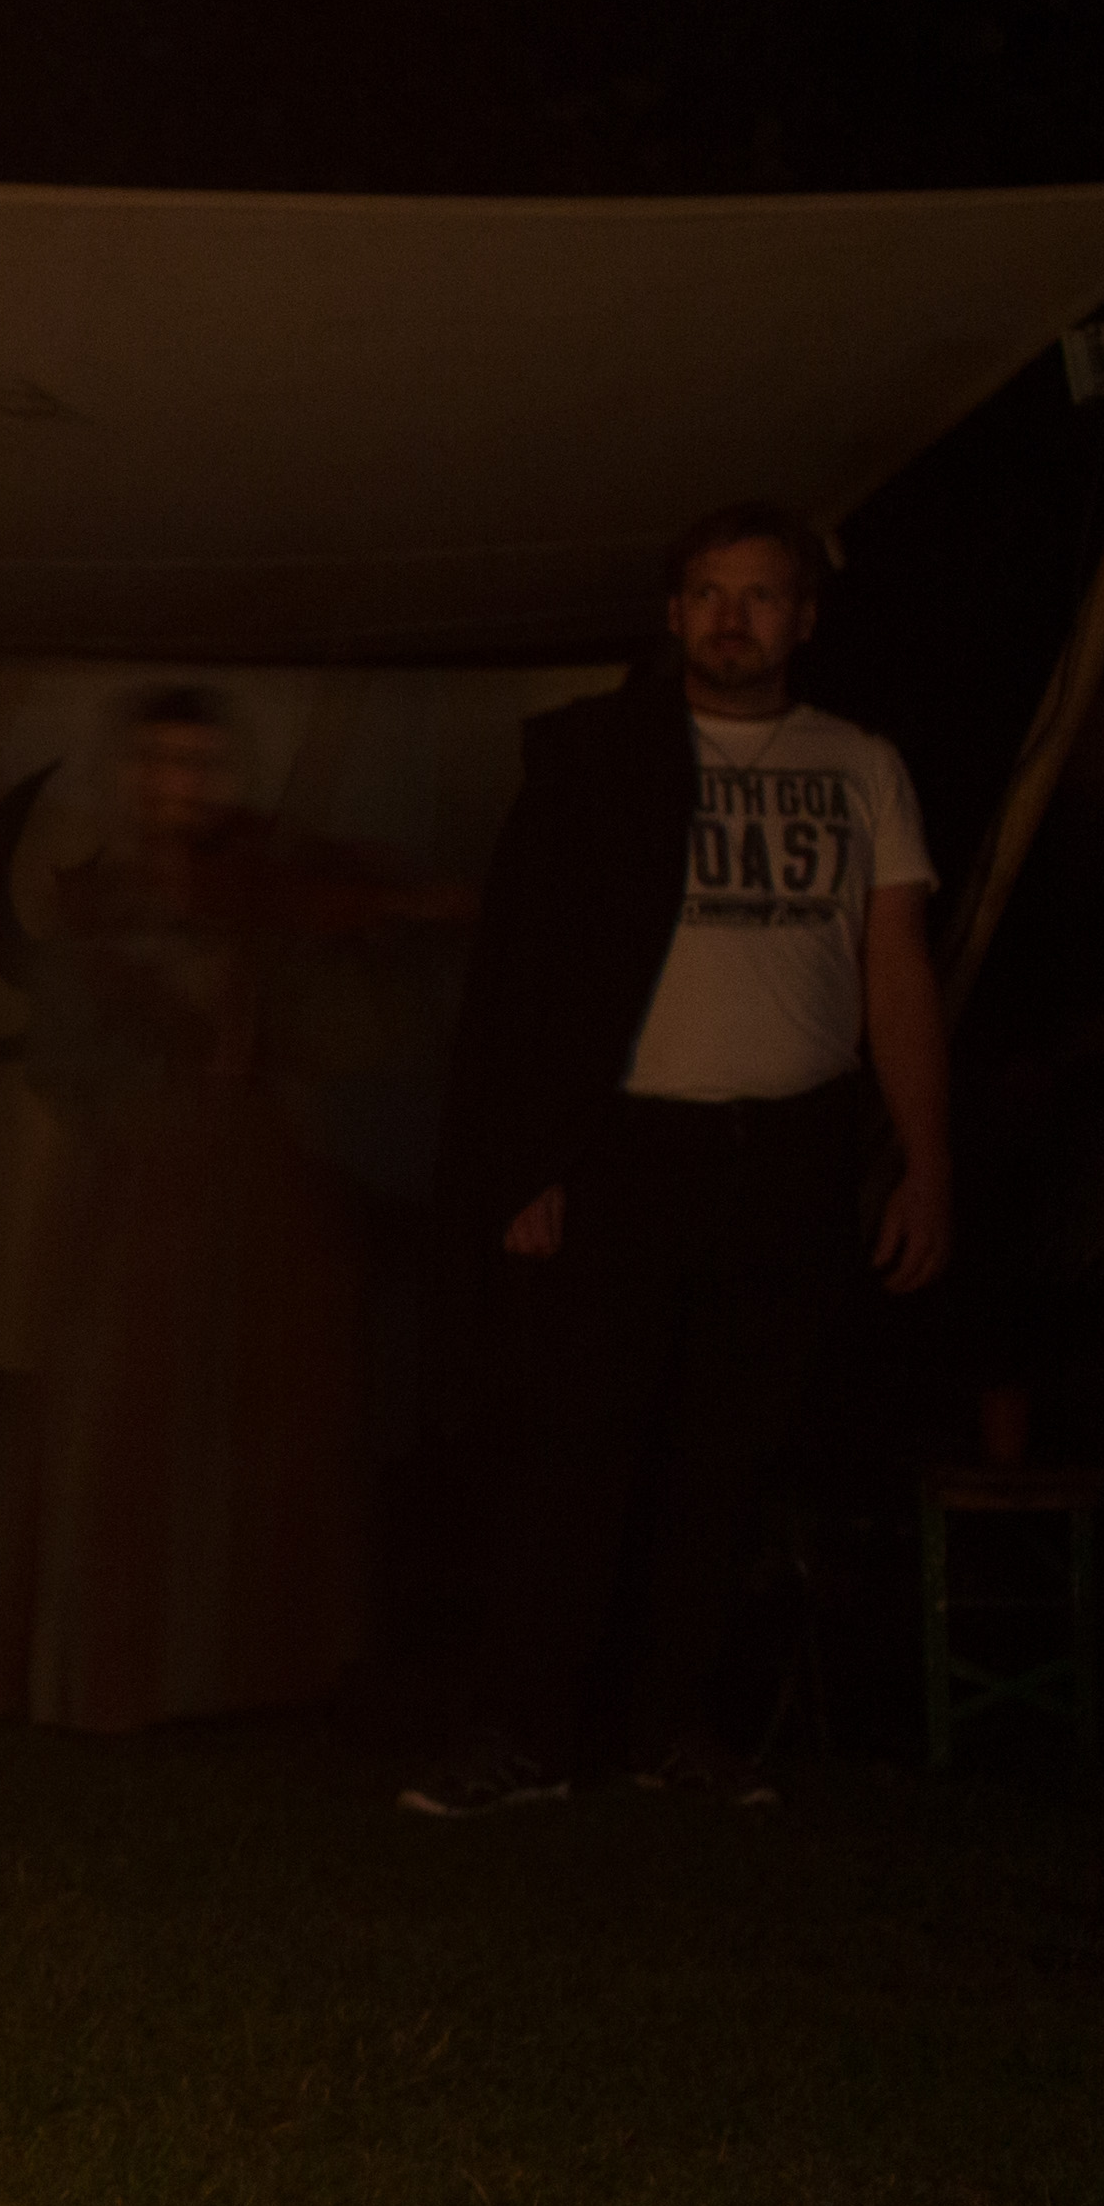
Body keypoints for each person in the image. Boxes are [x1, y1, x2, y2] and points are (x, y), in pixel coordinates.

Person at [411, 505, 947, 1814]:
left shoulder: (859, 763)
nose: (731, 619)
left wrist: (927, 1161)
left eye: (759, 596)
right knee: (574, 1445)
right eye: (709, 594)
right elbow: (529, 971)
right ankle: (522, 1732)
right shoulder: (603, 759)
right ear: (672, 614)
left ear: (803, 617)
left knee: (727, 1455)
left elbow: (893, 971)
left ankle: (670, 1726)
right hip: (633, 1143)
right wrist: (532, 1161)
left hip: (786, 1144)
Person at [0, 686, 419, 1731]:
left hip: (256, 1202)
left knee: (251, 1426)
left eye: (200, 766)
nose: (181, 788)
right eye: (160, 764)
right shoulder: (98, 909)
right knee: (119, 1427)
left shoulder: (265, 896)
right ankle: (111, 1672)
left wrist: (296, 974)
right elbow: (66, 1064)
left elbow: (344, 1035)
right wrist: (162, 1064)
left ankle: (240, 1674)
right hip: (133, 1202)